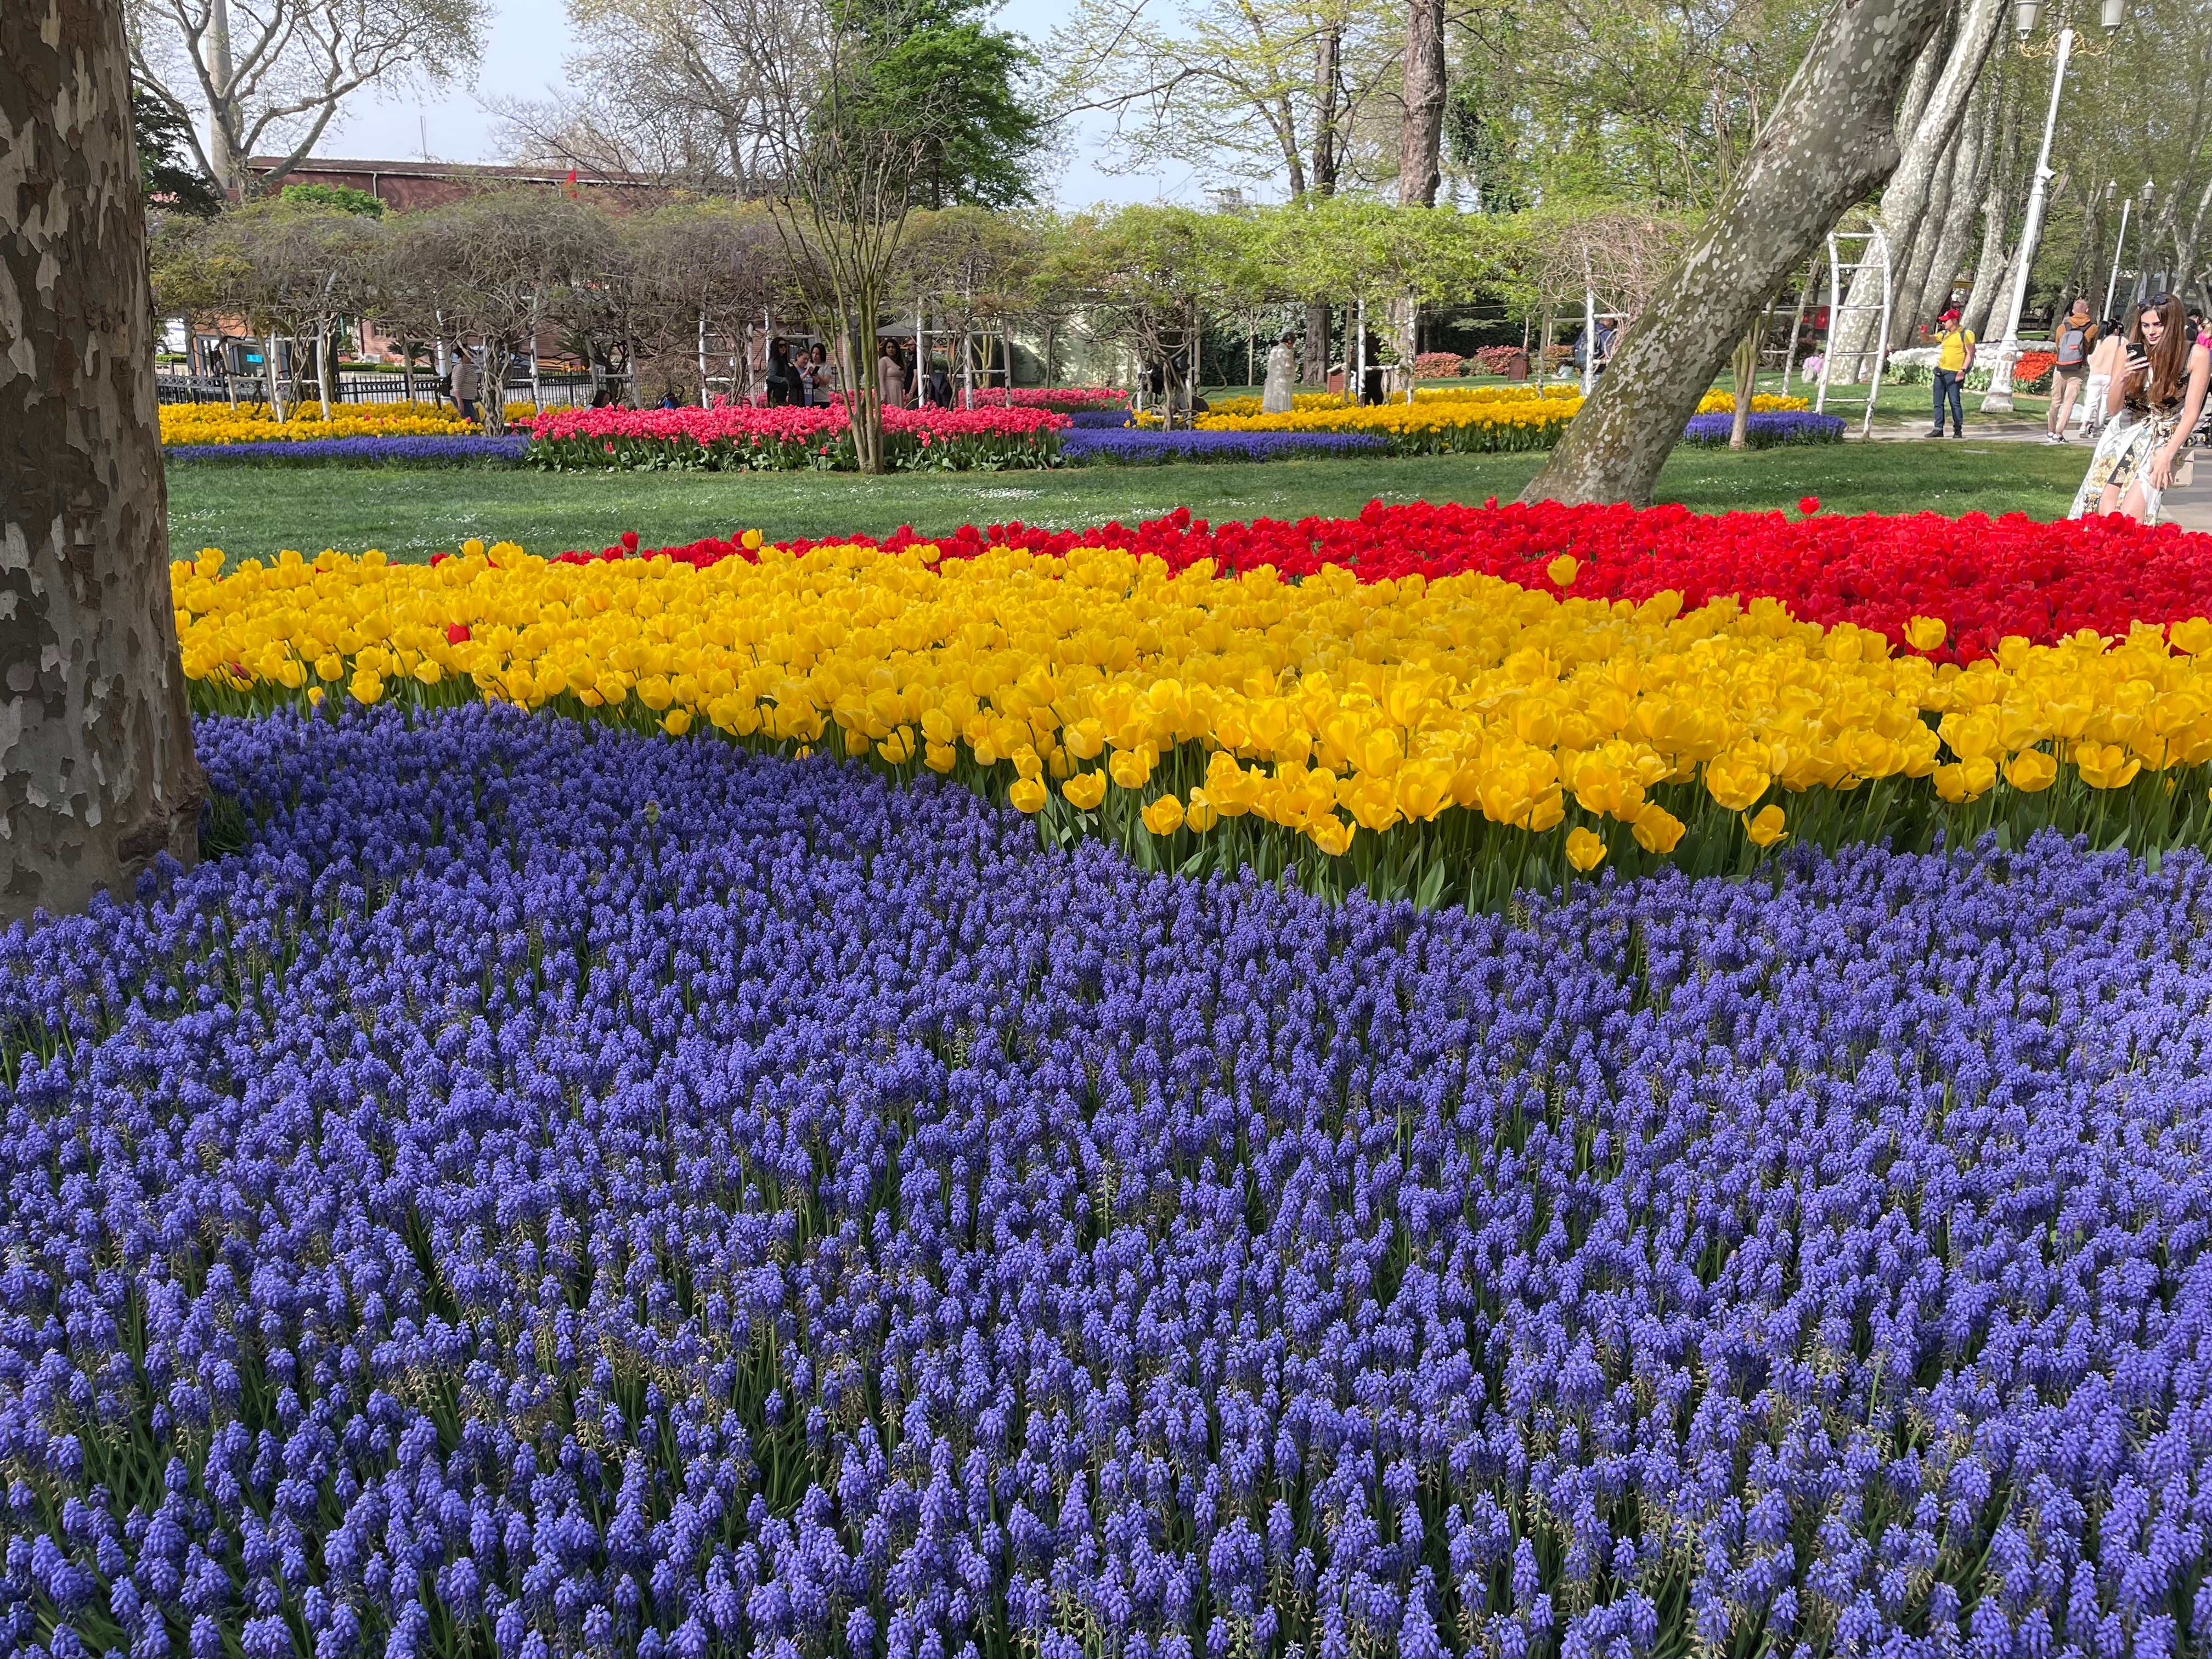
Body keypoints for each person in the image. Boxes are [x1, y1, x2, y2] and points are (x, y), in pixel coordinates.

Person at [2069, 294, 2211, 524]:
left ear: (2173, 324)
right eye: (2146, 325)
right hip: (2124, 433)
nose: (2151, 332)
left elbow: (2192, 413)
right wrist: (2120, 380)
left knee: (2131, 516)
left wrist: (2167, 454)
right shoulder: (2129, 352)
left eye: (2158, 325)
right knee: (2104, 510)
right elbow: (2114, 409)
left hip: (2161, 439)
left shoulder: (2196, 355)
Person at [2046, 298, 2097, 442]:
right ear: (2087, 311)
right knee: (2069, 402)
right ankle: (2059, 433)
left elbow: (2058, 346)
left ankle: (2050, 431)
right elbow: (2091, 350)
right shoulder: (2092, 328)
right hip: (2078, 368)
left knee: (2056, 401)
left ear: (2073, 311)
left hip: (2061, 367)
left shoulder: (2063, 327)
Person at [1925, 308, 1974, 437]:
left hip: (1955, 373)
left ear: (1954, 321)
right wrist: (1923, 333)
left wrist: (1962, 370)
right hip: (1941, 372)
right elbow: (1928, 340)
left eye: (1946, 321)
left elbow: (1970, 353)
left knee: (1954, 402)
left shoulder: (1966, 334)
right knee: (1938, 402)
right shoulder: (1945, 334)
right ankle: (1938, 429)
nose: (1944, 324)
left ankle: (1957, 430)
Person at [2080, 318, 2126, 436]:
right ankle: (2097, 427)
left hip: (2095, 375)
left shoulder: (2101, 341)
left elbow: (2091, 359)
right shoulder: (2122, 341)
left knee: (2090, 402)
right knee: (2104, 404)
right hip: (2110, 376)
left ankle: (2084, 426)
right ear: (2116, 330)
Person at [1261, 330, 1297, 414]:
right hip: (1283, 381)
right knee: (1282, 400)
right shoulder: (1288, 352)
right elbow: (1288, 370)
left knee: (1271, 398)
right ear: (1290, 343)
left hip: (1272, 379)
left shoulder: (1274, 349)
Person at [449, 346, 480, 424]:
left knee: (474, 419)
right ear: (463, 355)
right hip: (462, 398)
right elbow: (456, 384)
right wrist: (459, 401)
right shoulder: (461, 367)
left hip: (468, 399)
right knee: (470, 420)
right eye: (468, 353)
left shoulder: (469, 367)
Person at [878, 342, 907, 409]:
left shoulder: (901, 362)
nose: (891, 349)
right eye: (889, 347)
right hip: (888, 390)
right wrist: (883, 394)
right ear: (885, 350)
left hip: (899, 389)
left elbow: (904, 376)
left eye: (893, 347)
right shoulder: (883, 361)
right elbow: (881, 379)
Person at [765, 340, 794, 407]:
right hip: (776, 394)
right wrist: (784, 380)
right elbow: (771, 376)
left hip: (783, 393)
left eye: (785, 346)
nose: (783, 348)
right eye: (781, 346)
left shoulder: (784, 360)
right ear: (776, 347)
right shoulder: (773, 360)